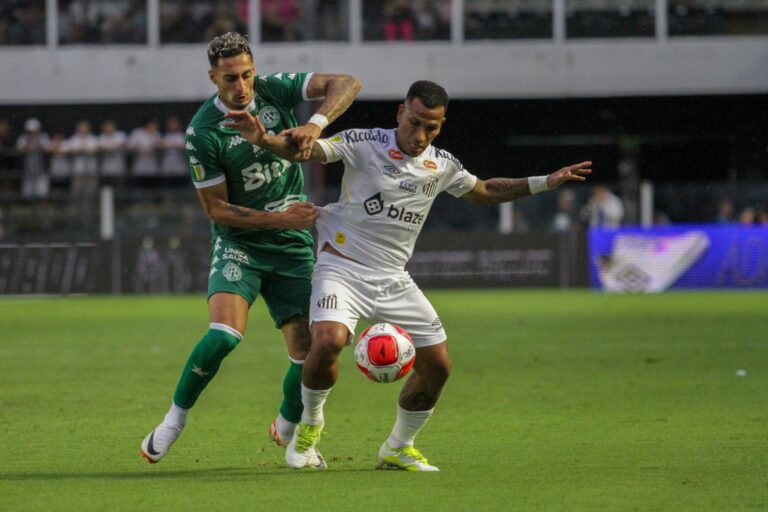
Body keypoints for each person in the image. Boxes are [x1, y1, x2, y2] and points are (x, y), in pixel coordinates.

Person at [224, 80, 591, 471]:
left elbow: (485, 190)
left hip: (393, 279)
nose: (420, 135)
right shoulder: (364, 141)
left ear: (441, 125)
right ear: (401, 113)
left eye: (430, 128)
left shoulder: (442, 165)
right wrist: (263, 140)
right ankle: (309, 430)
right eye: (414, 123)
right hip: (341, 266)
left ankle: (398, 447)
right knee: (328, 340)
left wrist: (545, 182)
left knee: (439, 364)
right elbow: (308, 149)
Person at [140, 31, 361, 467]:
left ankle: (288, 426)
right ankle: (173, 420)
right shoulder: (203, 132)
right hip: (241, 242)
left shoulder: (274, 90)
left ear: (254, 70)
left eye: (246, 75)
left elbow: (348, 83)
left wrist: (315, 124)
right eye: (230, 79)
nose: (241, 86)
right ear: (213, 78)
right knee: (224, 335)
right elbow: (216, 210)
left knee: (310, 353)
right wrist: (280, 219)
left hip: (292, 245)